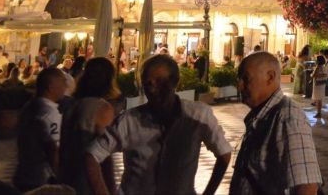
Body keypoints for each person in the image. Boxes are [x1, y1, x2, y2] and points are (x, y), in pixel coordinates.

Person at [85, 54, 232, 195]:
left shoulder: (198, 115)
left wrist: (209, 192)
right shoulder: (129, 120)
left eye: (160, 82)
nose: (153, 89)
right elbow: (92, 155)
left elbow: (224, 153)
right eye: (148, 84)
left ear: (175, 81)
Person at [231, 52, 322, 194]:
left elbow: (306, 187)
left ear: (270, 77)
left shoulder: (287, 118)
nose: (239, 85)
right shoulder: (262, 116)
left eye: (246, 78)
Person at [60, 57, 119, 195]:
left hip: (66, 177)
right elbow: (102, 157)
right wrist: (108, 189)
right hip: (87, 182)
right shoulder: (102, 109)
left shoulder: (71, 105)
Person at [13, 67, 66, 191]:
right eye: (63, 82)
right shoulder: (49, 113)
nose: (65, 87)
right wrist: (60, 178)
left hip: (24, 173)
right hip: (41, 179)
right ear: (51, 86)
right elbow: (53, 149)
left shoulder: (29, 106)